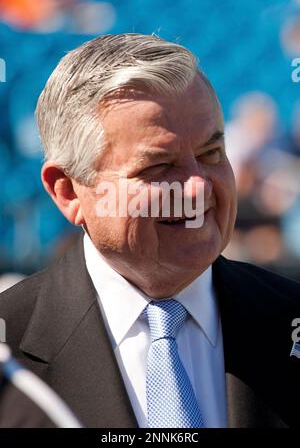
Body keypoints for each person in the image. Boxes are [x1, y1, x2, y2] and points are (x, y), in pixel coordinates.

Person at [0, 34, 299, 428]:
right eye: (158, 168)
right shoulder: (9, 356)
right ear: (69, 191)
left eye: (211, 154)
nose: (196, 189)